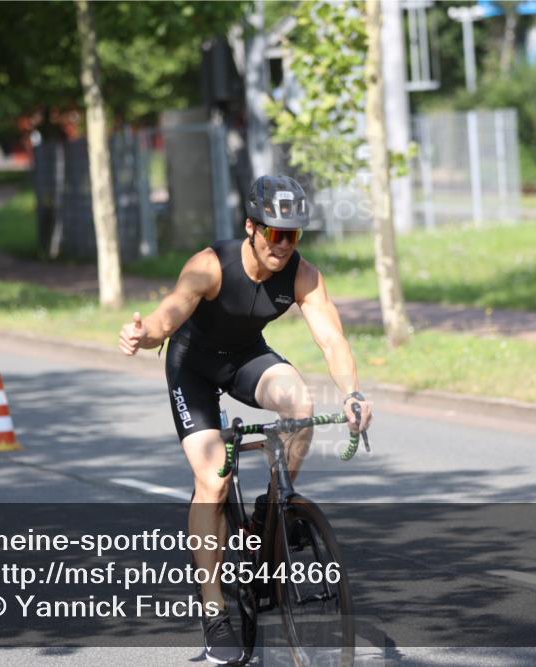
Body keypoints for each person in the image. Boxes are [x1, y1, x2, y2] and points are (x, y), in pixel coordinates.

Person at [118, 174, 372, 665]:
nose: (283, 245)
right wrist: (143, 335)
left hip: (245, 358)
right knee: (213, 478)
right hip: (191, 366)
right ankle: (215, 612)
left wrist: (353, 394)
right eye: (275, 233)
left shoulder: (302, 275)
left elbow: (332, 339)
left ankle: (272, 509)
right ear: (251, 227)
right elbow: (168, 317)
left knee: (300, 404)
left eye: (293, 234)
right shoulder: (211, 266)